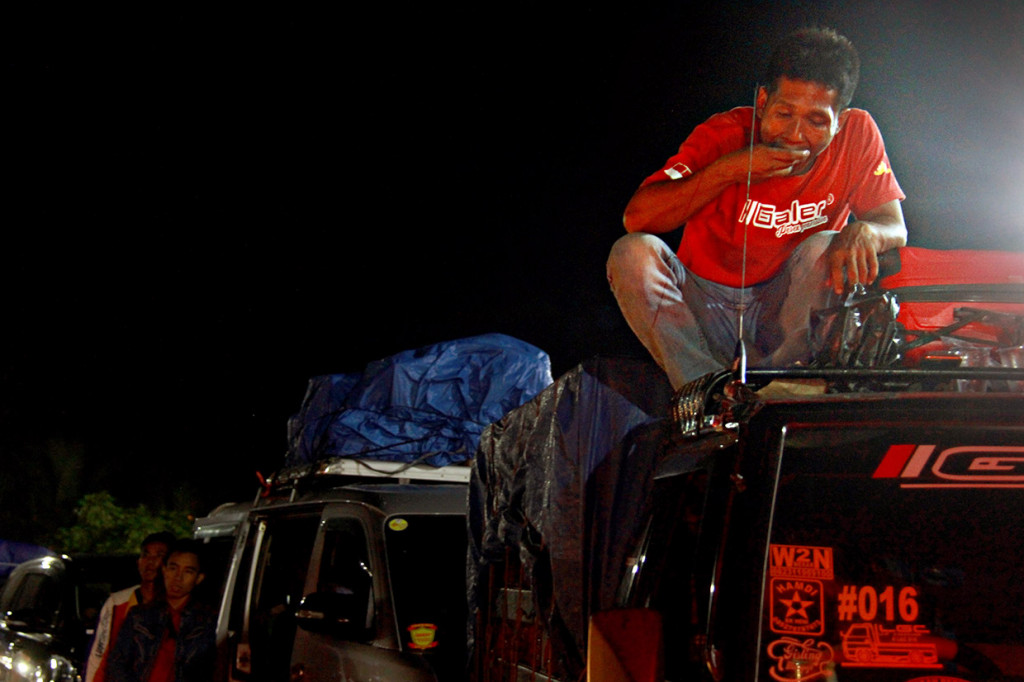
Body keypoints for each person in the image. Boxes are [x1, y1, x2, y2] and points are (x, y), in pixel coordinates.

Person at [607, 27, 907, 389]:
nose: (795, 135)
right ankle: (703, 390)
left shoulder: (858, 134)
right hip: (706, 309)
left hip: (784, 313)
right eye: (784, 114)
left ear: (839, 121)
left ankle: (781, 381)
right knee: (631, 253)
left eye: (816, 121)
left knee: (827, 242)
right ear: (762, 102)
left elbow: (894, 227)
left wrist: (867, 229)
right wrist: (733, 168)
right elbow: (637, 217)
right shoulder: (724, 133)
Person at [107, 539, 217, 682]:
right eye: (173, 568)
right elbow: (117, 664)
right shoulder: (139, 616)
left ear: (198, 578)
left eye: (188, 571)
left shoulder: (207, 621)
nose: (178, 577)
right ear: (164, 570)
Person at [86, 531, 176, 682]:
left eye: (159, 555)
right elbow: (99, 655)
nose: (150, 562)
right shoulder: (117, 602)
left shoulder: (177, 605)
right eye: (146, 555)